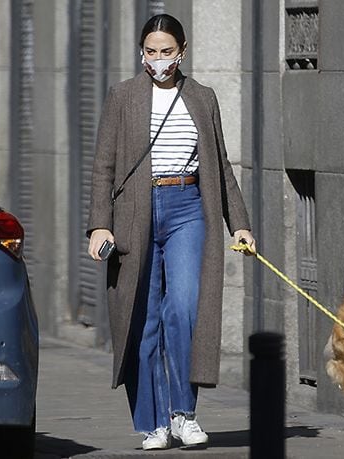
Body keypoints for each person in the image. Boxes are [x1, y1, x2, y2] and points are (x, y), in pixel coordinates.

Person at [86, 13, 255, 451]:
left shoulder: (202, 97)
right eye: (150, 51)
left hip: (187, 209)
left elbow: (220, 168)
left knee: (183, 309)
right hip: (135, 214)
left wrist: (240, 225)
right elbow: (103, 166)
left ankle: (184, 413)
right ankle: (152, 423)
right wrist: (99, 223)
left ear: (182, 52)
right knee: (142, 321)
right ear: (141, 53)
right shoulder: (122, 97)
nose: (158, 60)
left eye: (166, 51)